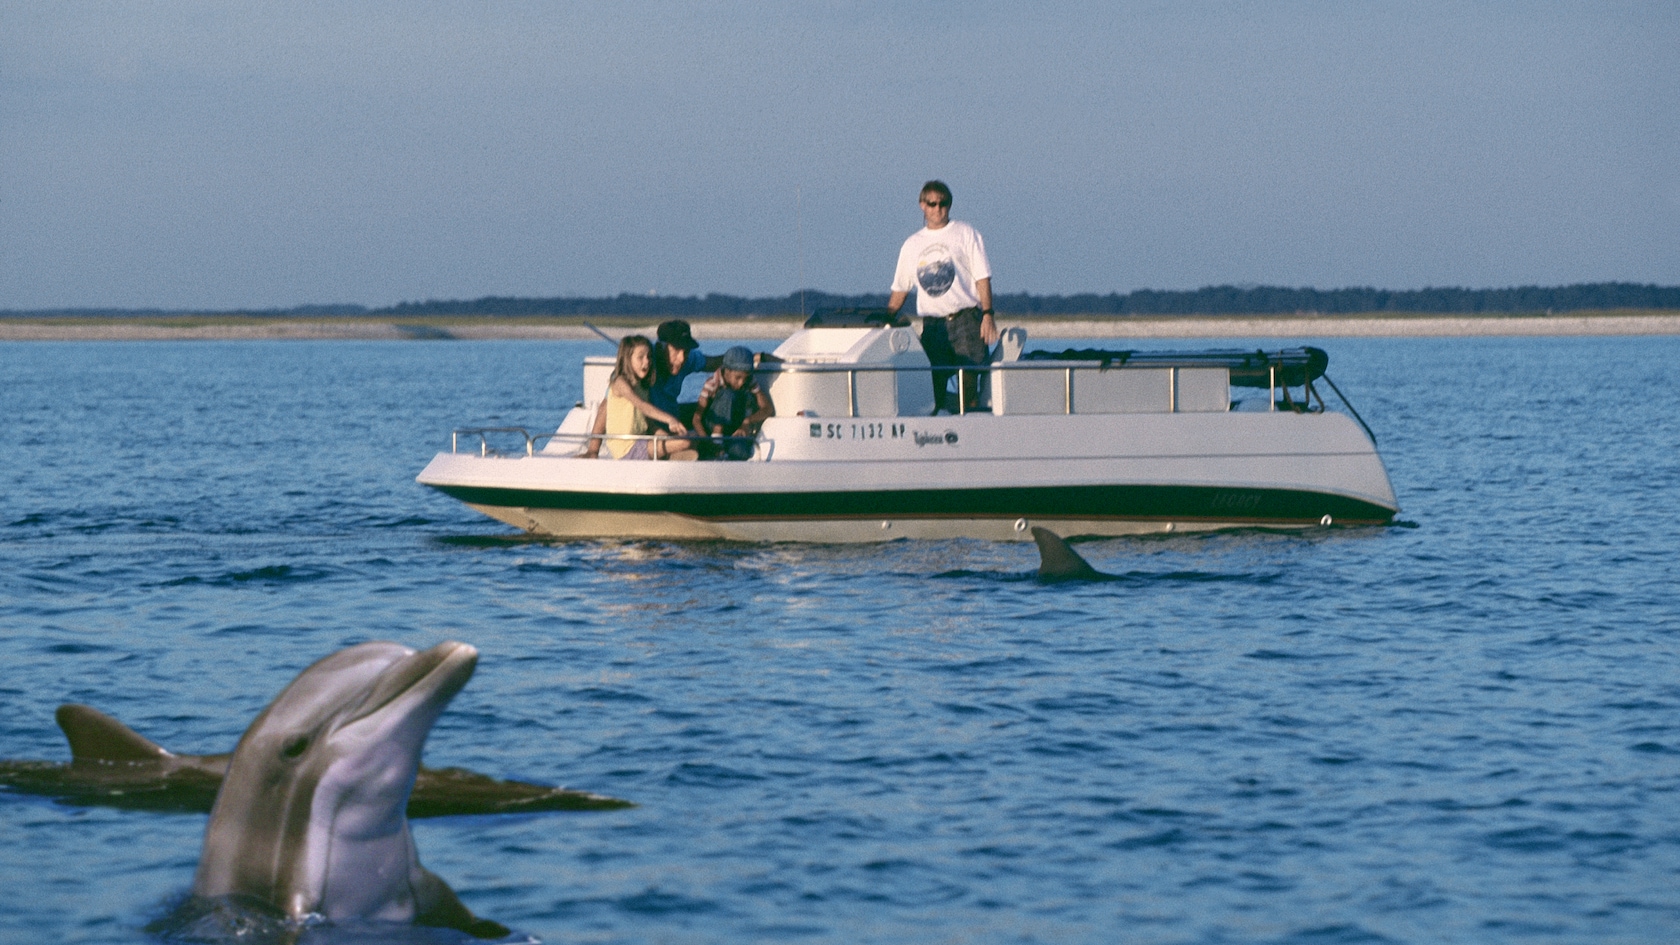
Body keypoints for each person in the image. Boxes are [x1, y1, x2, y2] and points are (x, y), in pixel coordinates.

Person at [885, 180, 998, 413]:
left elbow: (982, 278)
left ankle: (971, 429)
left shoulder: (966, 233)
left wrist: (988, 314)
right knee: (932, 386)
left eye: (943, 203)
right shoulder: (912, 245)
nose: (938, 209)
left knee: (969, 385)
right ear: (922, 206)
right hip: (933, 326)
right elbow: (900, 290)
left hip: (966, 320)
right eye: (932, 204)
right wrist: (883, 319)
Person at [584, 335, 697, 460]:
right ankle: (673, 456)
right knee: (685, 442)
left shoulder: (643, 388)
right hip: (626, 448)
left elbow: (649, 423)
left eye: (649, 357)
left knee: (692, 437)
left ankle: (673, 455)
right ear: (627, 359)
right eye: (640, 357)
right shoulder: (620, 383)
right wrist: (669, 419)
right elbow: (642, 406)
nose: (647, 361)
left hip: (641, 443)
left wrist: (667, 437)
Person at [693, 346, 774, 460]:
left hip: (733, 429)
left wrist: (747, 421)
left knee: (741, 453)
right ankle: (716, 443)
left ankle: (723, 453)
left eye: (745, 379)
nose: (741, 383)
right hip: (712, 428)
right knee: (728, 395)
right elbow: (696, 418)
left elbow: (767, 409)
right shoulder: (712, 384)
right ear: (727, 371)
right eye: (738, 378)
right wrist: (707, 441)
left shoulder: (749, 382)